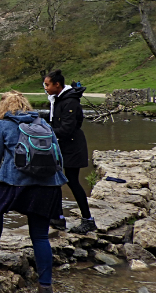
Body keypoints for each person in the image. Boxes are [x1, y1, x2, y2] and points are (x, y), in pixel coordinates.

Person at [0, 90, 67, 293]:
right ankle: (45, 286)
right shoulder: (43, 124)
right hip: (47, 185)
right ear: (26, 105)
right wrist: (55, 182)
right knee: (40, 237)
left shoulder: (3, 124)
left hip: (14, 181)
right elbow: (58, 157)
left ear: (2, 107)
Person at [43, 69, 95, 234]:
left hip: (73, 148)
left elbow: (66, 129)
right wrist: (36, 116)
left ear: (57, 85)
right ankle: (57, 217)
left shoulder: (70, 102)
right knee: (55, 180)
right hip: (62, 147)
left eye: (47, 84)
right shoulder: (59, 99)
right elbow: (56, 119)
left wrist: (43, 130)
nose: (45, 87)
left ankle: (88, 220)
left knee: (72, 182)